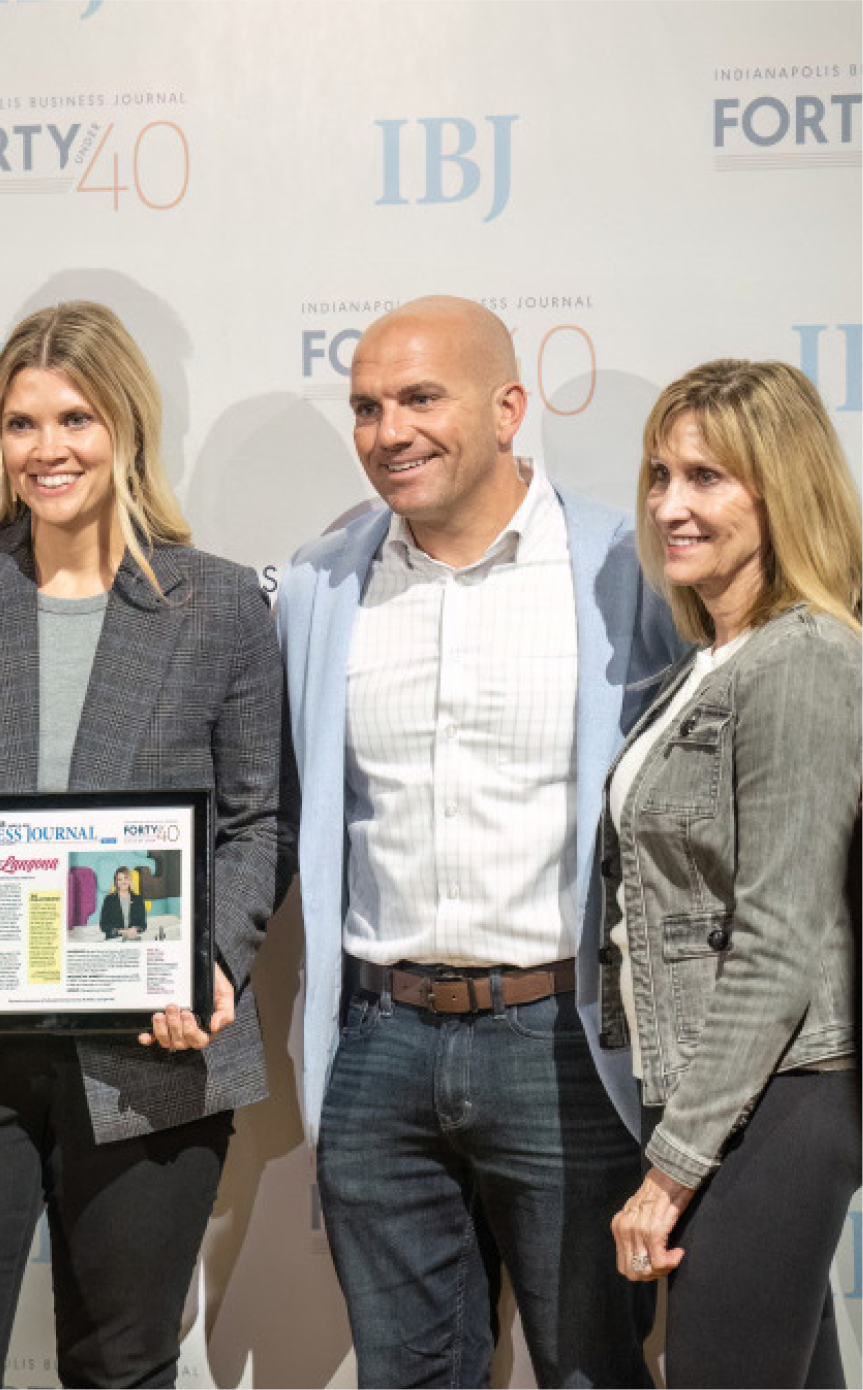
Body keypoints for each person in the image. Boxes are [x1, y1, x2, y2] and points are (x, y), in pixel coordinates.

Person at [0, 300, 291, 1389]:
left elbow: (252, 823)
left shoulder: (220, 604)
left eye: (76, 419)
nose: (48, 449)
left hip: (152, 1048)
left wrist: (214, 955)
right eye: (22, 422)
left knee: (122, 1368)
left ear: (127, 428)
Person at [276, 295, 683, 1388]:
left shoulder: (627, 569)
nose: (387, 430)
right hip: (376, 1043)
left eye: (419, 397)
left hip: (565, 1044)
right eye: (365, 405)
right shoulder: (318, 584)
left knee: (590, 1368)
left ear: (508, 407)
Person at [606, 359, 861, 1389]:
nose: (670, 504)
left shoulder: (801, 660)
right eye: (660, 474)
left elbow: (778, 941)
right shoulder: (707, 664)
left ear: (779, 489)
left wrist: (670, 1169)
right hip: (737, 1097)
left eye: (706, 478)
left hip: (780, 1097)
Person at [101, 866, 148, 940]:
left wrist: (135, 930)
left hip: (133, 939)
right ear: (116, 882)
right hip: (114, 941)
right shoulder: (109, 900)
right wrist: (122, 932)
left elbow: (143, 925)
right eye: (120, 879)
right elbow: (103, 926)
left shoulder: (138, 899)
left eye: (126, 878)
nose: (123, 882)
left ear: (130, 880)